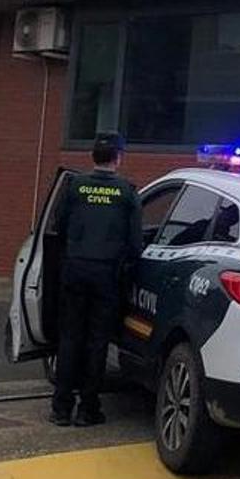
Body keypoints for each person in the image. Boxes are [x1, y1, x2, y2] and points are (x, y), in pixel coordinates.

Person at [50, 132, 142, 427]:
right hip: (106, 274)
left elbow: (58, 227)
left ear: (93, 156)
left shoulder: (75, 186)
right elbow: (135, 244)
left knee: (69, 338)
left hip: (75, 270)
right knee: (97, 341)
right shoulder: (127, 192)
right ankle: (88, 409)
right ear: (118, 157)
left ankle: (61, 408)